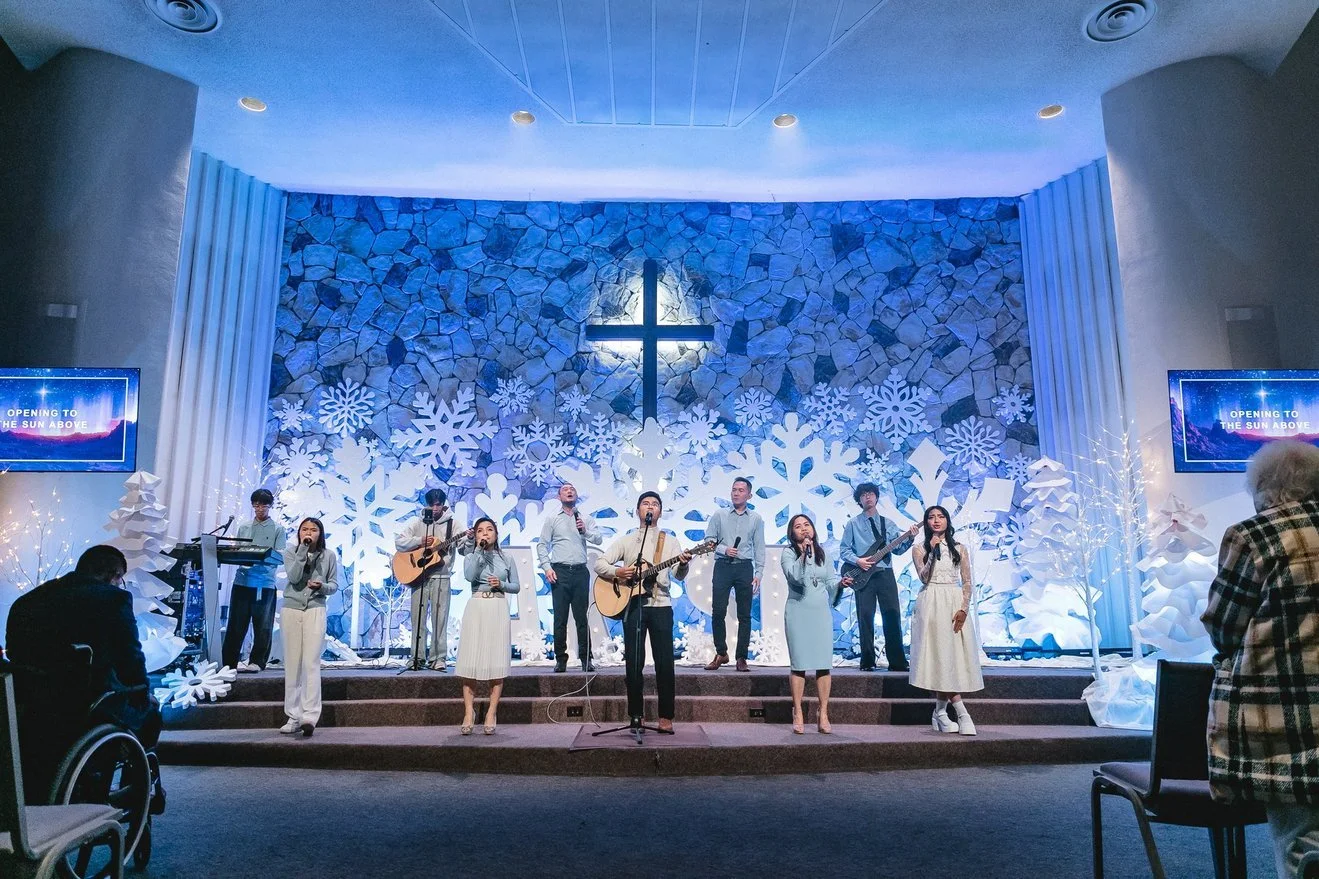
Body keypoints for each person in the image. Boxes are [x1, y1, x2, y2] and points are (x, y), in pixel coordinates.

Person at [1202, 440, 1319, 879]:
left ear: (1265, 489)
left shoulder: (1254, 535)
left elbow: (1223, 626)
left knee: (1297, 833)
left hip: (1287, 721)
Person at [5, 545, 162, 795]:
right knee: (151, 713)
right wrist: (142, 694)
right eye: (120, 579)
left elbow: (14, 653)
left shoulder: (28, 601)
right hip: (86, 704)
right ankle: (134, 789)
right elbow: (130, 658)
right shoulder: (113, 599)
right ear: (113, 575)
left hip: (28, 702)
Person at [593, 492, 692, 732]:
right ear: (638, 510)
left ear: (660, 512)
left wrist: (684, 564)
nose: (650, 507)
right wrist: (618, 572)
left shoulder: (670, 541)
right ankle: (636, 715)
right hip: (634, 606)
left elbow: (678, 575)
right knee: (634, 663)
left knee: (665, 663)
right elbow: (599, 563)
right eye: (646, 504)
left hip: (661, 605)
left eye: (655, 504)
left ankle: (666, 716)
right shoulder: (627, 540)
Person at [909, 505, 984, 736]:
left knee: (950, 656)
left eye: (940, 516)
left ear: (947, 521)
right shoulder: (919, 548)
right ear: (926, 523)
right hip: (930, 602)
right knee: (939, 656)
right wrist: (932, 551)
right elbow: (924, 577)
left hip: (952, 601)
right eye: (931, 517)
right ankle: (961, 712)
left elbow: (967, 581)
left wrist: (964, 608)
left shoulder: (960, 548)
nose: (936, 520)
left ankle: (940, 712)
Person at [781, 514, 852, 734]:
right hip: (798, 612)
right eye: (798, 526)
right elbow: (794, 577)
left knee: (823, 664)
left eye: (807, 525)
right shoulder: (788, 553)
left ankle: (824, 712)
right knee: (799, 664)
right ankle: (798, 711)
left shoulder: (823, 554)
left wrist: (840, 584)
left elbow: (830, 581)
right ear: (792, 533)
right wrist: (804, 555)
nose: (803, 529)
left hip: (820, 613)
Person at [839, 482, 919, 671]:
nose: (868, 497)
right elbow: (844, 550)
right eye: (863, 494)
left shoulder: (888, 524)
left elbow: (898, 550)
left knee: (892, 614)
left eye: (871, 493)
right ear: (859, 500)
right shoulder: (853, 524)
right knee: (865, 616)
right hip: (863, 575)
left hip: (885, 573)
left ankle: (897, 662)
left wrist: (911, 537)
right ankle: (867, 661)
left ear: (876, 497)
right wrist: (858, 561)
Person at [395, 489, 472, 671]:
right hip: (418, 576)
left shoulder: (453, 524)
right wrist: (420, 541)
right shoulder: (417, 522)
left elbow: (464, 550)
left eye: (438, 504)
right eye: (432, 504)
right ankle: (416, 658)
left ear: (444, 505)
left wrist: (469, 540)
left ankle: (438, 659)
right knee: (417, 620)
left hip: (442, 576)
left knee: (440, 619)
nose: (435, 508)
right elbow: (399, 542)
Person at [456, 517, 520, 734]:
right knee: (470, 661)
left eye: (489, 529)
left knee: (496, 661)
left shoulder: (507, 558)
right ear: (475, 535)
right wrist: (478, 551)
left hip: (498, 606)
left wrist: (501, 584)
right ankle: (469, 712)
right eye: (480, 530)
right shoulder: (471, 556)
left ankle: (491, 712)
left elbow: (516, 586)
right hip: (476, 606)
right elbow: (469, 576)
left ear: (496, 534)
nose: (485, 533)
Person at [280, 517, 340, 737]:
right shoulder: (290, 552)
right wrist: (303, 551)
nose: (308, 533)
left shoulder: (329, 555)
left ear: (320, 533)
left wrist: (321, 586)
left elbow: (334, 585)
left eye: (313, 530)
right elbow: (294, 576)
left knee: (311, 663)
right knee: (292, 663)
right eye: (304, 529)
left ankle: (310, 716)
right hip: (292, 609)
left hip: (315, 609)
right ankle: (293, 716)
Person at [536, 483, 603, 673]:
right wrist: (547, 567)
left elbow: (598, 539)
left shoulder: (585, 518)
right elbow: (542, 545)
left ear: (576, 495)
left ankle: (586, 659)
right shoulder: (552, 519)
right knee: (560, 618)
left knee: (582, 618)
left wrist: (585, 531)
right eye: (565, 489)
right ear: (559, 497)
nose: (569, 491)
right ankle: (560, 659)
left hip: (580, 571)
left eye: (572, 489)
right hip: (560, 572)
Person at [703, 476, 767, 673]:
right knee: (718, 611)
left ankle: (741, 657)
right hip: (723, 565)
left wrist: (759, 573)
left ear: (749, 495)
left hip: (744, 567)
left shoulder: (756, 519)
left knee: (744, 615)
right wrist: (724, 549)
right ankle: (721, 653)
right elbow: (709, 540)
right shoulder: (719, 515)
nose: (736, 493)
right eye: (734, 490)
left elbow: (759, 547)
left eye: (741, 490)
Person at [221, 488, 286, 673]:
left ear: (270, 506)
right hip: (242, 581)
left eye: (263, 505)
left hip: (264, 583)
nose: (259, 509)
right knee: (236, 624)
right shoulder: (244, 527)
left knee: (262, 625)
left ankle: (257, 661)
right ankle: (228, 663)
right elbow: (238, 551)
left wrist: (261, 557)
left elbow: (280, 556)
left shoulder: (278, 529)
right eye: (256, 505)